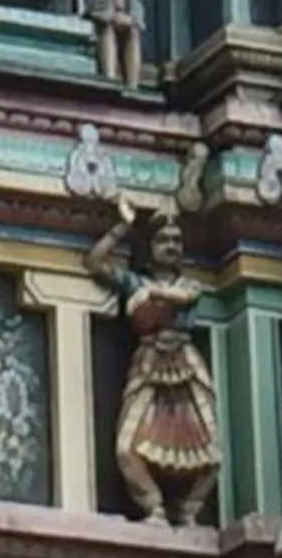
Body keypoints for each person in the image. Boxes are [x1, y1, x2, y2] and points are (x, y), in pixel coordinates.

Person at [87, 200, 221, 524]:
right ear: (149, 247)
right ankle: (154, 507)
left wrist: (151, 298)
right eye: (164, 240)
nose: (171, 246)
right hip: (149, 364)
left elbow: (187, 296)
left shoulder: (186, 286)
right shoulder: (136, 283)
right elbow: (94, 262)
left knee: (211, 452)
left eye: (177, 240)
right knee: (126, 447)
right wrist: (122, 226)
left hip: (186, 365)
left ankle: (189, 511)